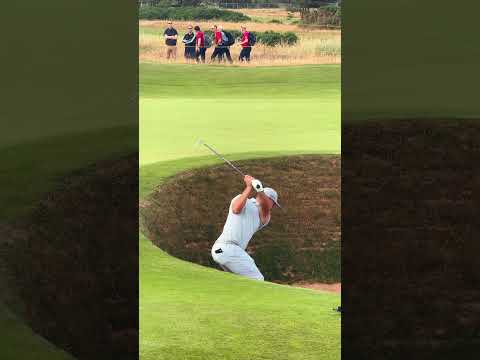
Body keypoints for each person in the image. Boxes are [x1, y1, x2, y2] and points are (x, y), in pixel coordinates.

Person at [211, 175, 281, 281]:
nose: (273, 206)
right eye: (273, 203)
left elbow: (265, 207)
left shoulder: (264, 216)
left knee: (239, 281)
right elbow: (236, 209)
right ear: (268, 198)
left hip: (227, 251)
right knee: (257, 279)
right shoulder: (242, 199)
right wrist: (248, 187)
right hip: (222, 249)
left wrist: (260, 190)